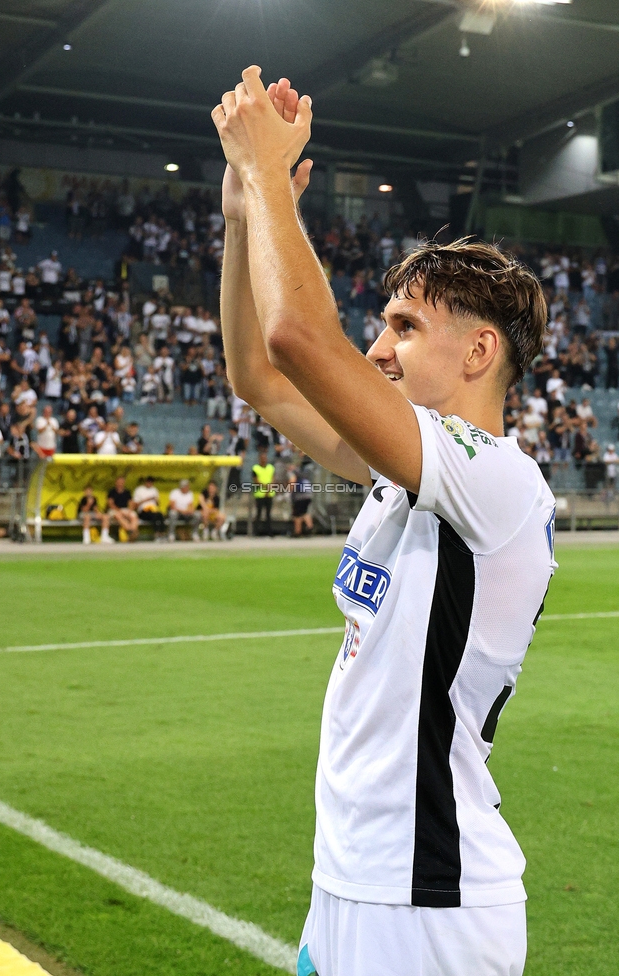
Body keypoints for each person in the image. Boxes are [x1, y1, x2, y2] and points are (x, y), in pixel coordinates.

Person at [213, 71, 556, 976]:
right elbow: (258, 373)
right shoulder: (405, 477)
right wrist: (248, 212)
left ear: (481, 350)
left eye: (404, 326)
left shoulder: (501, 482)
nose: (377, 346)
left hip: (430, 909)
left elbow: (301, 340)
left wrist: (265, 175)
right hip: (355, 883)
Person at [252, 447, 276, 536]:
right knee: (259, 513)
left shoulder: (270, 468)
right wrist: (266, 486)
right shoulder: (256, 468)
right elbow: (256, 480)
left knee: (268, 514)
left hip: (269, 493)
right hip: (260, 493)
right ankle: (256, 531)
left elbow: (273, 479)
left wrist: (270, 487)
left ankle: (269, 531)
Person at [107, 476, 139, 541]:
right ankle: (130, 530)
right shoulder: (112, 491)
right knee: (118, 515)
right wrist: (119, 511)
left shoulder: (127, 492)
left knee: (133, 515)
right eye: (119, 482)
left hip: (125, 509)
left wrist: (130, 511)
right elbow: (110, 504)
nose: (120, 483)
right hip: (114, 510)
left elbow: (130, 503)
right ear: (116, 483)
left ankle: (133, 530)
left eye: (121, 482)